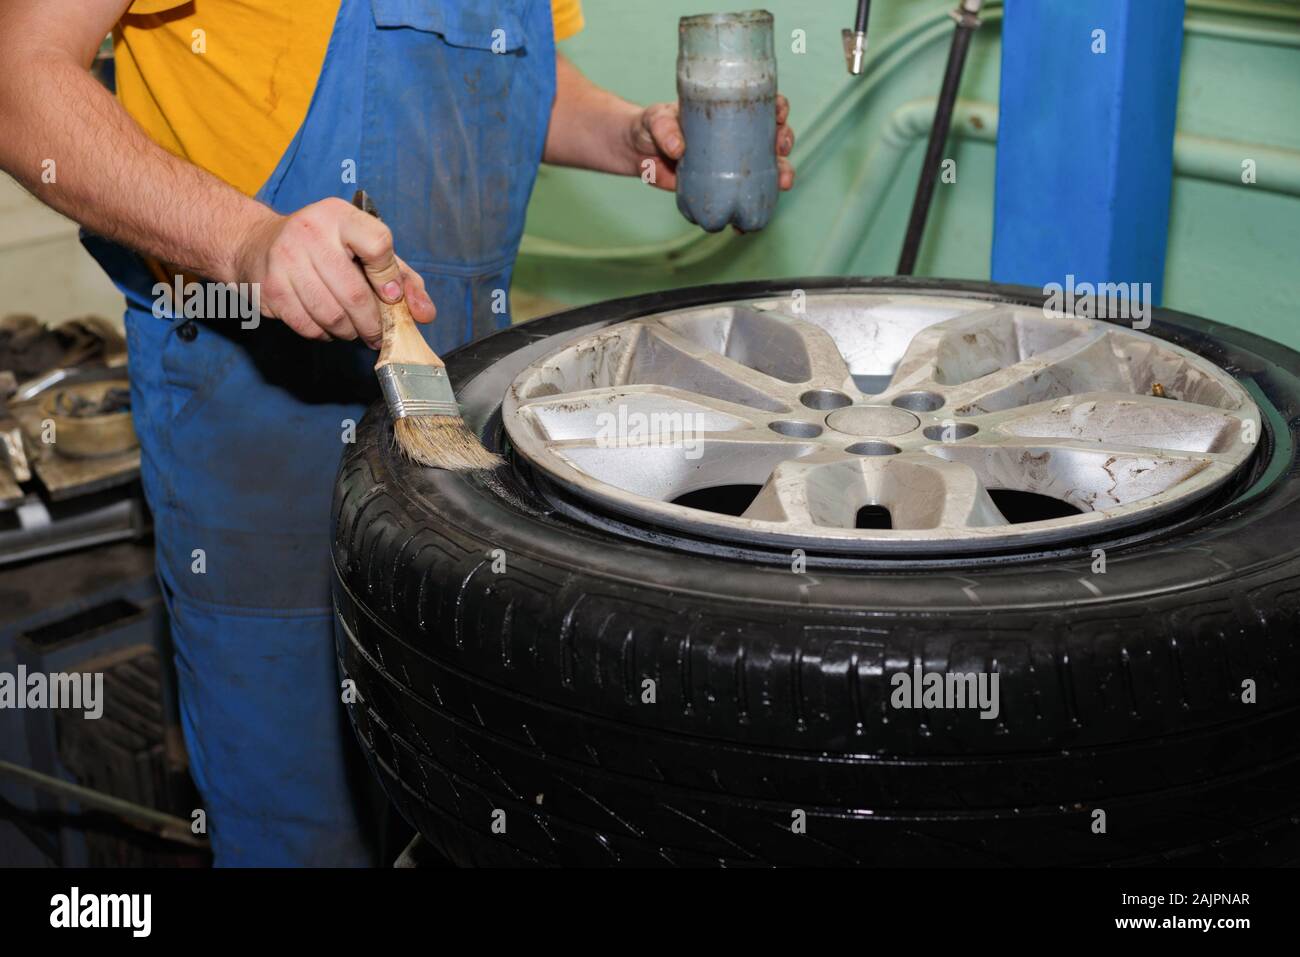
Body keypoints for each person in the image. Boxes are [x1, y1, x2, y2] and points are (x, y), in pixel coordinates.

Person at [0, 0, 795, 865]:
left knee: (448, 791)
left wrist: (628, 137)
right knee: (299, 816)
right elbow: (18, 79)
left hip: (449, 411)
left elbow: (511, 85)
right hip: (256, 409)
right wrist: (249, 243)